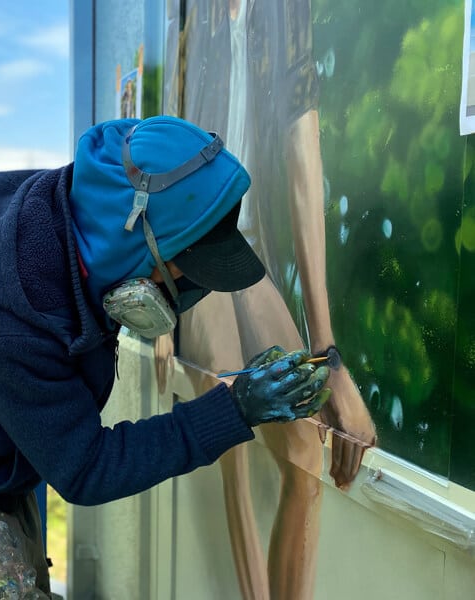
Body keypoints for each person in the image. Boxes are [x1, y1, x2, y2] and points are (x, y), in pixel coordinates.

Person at [0, 115, 331, 599]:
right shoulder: (6, 324)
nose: (189, 291)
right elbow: (87, 469)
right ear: (131, 240)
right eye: (185, 271)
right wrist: (234, 409)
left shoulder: (86, 224)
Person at [157, 1, 377, 598]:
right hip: (196, 255)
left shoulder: (283, 11)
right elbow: (163, 155)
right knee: (232, 439)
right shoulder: (193, 17)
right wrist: (160, 302)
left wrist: (329, 359)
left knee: (304, 457)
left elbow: (303, 161)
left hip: (249, 255)